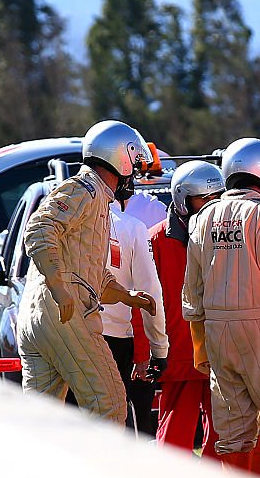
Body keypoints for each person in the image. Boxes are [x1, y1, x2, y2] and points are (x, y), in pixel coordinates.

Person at [16, 120, 160, 423]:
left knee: (42, 422)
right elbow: (39, 229)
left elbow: (88, 270)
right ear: (121, 156)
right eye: (134, 163)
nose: (134, 172)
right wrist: (58, 286)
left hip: (37, 317)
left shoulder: (96, 198)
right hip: (66, 315)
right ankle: (103, 472)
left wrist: (126, 296)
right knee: (110, 404)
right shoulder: (86, 188)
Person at [183, 138, 260, 478]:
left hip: (216, 329)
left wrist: (200, 346)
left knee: (233, 426)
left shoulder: (203, 217)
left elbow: (192, 288)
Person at [150, 160, 225, 459]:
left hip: (220, 347)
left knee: (223, 434)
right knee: (174, 436)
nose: (210, 205)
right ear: (182, 198)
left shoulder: (225, 235)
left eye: (216, 197)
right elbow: (147, 299)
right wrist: (151, 350)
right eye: (203, 198)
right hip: (180, 349)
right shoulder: (156, 239)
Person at [103, 197, 169, 435]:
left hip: (113, 330)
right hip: (128, 332)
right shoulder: (141, 222)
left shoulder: (147, 219)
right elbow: (148, 296)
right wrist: (154, 351)